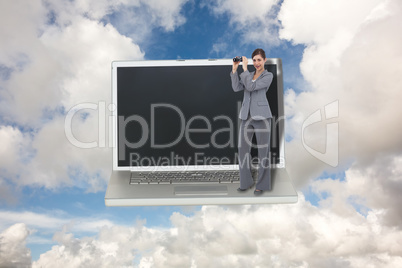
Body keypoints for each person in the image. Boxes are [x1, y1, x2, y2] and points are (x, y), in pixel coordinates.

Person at [230, 48, 273, 195]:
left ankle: (261, 185)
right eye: (254, 60)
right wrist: (235, 70)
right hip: (246, 116)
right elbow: (236, 88)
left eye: (259, 60)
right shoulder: (248, 74)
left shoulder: (268, 75)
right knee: (243, 151)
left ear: (264, 60)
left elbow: (251, 87)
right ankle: (246, 182)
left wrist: (245, 69)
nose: (256, 63)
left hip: (262, 116)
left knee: (263, 152)